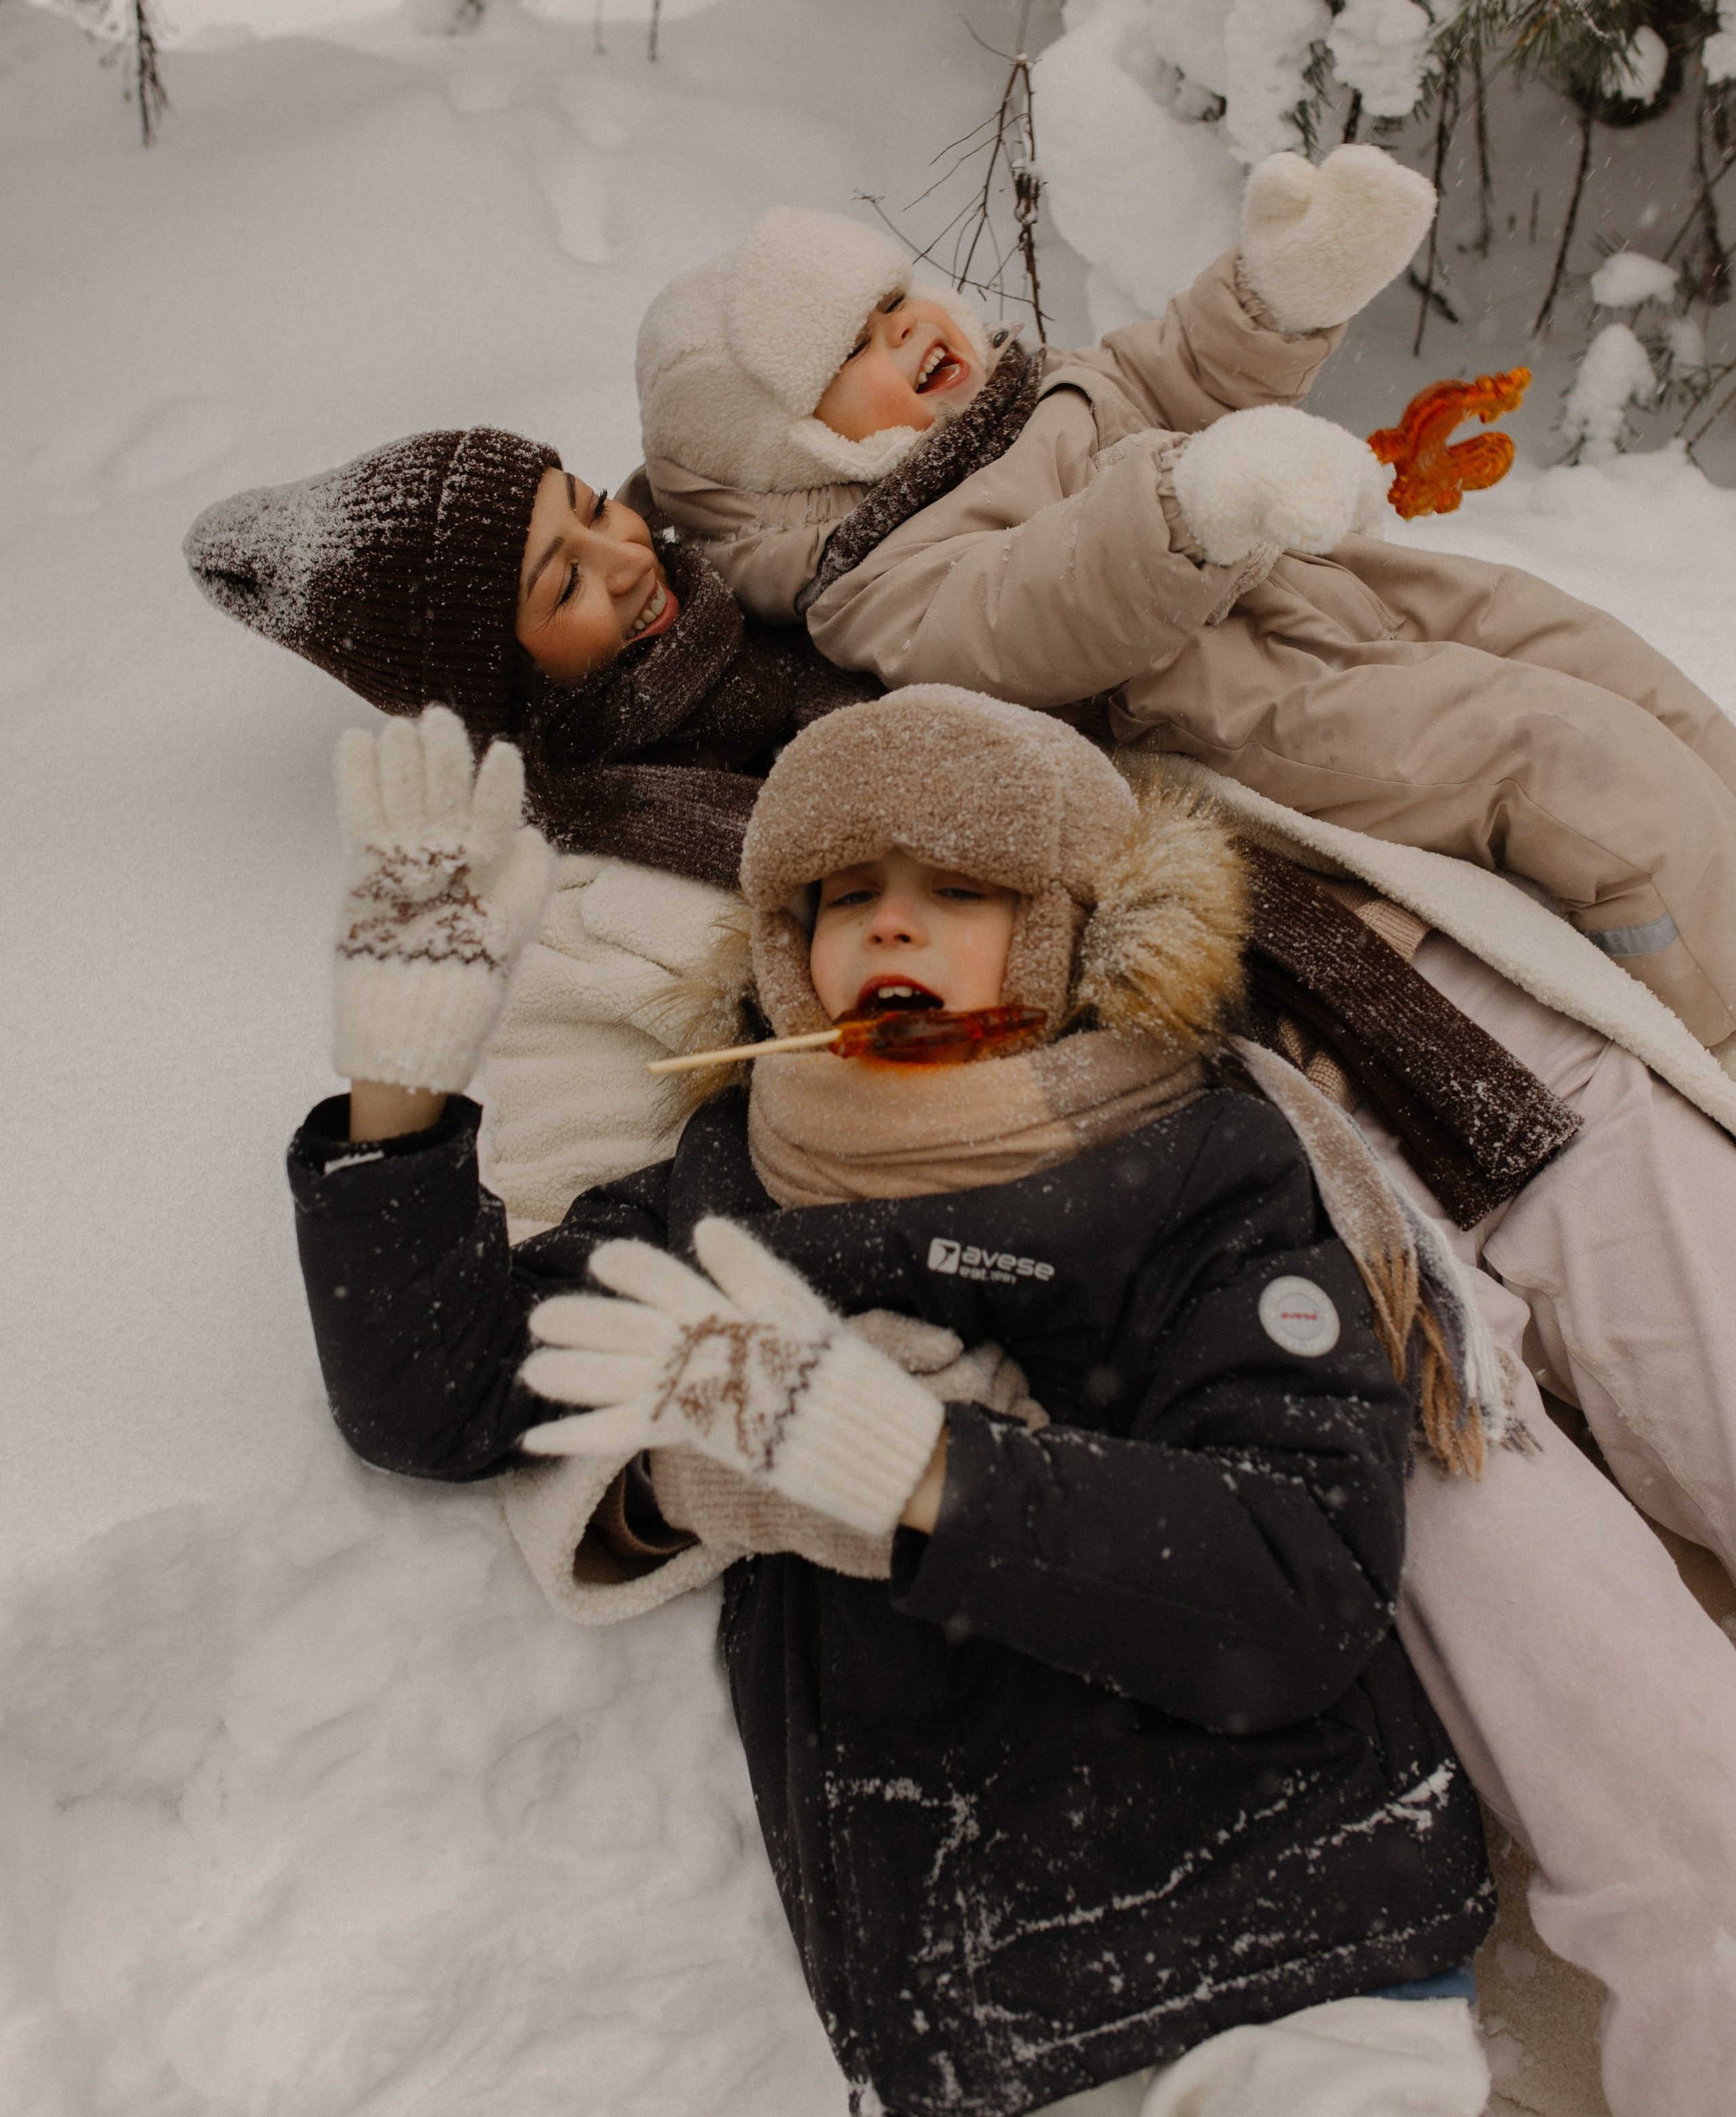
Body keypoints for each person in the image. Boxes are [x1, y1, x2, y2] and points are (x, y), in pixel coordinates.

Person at [278, 690, 1736, 2117]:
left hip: (1290, 1934)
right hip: (965, 2004)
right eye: (843, 895)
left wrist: (912, 1473)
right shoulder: (720, 1192)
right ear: (786, 951)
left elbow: (1295, 1586)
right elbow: (440, 1397)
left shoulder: (1198, 1167)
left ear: (1073, 928)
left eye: (955, 889)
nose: (888, 924)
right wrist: (398, 1093)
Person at [630, 151, 1736, 1062]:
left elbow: (1173, 374)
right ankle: (1721, 1029)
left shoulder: (1029, 387)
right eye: (854, 349)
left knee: (1603, 661)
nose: (905, 332)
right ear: (798, 449)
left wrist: (1277, 297)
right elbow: (1020, 616)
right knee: (1562, 760)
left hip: (1333, 590)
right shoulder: (874, 572)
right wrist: (1188, 507)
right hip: (1237, 706)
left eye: (893, 300)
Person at [184, 423, 873, 1209]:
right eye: (564, 587)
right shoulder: (584, 910)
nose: (630, 559)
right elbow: (568, 1222)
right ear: (498, 684)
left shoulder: (779, 566)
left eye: (598, 508)